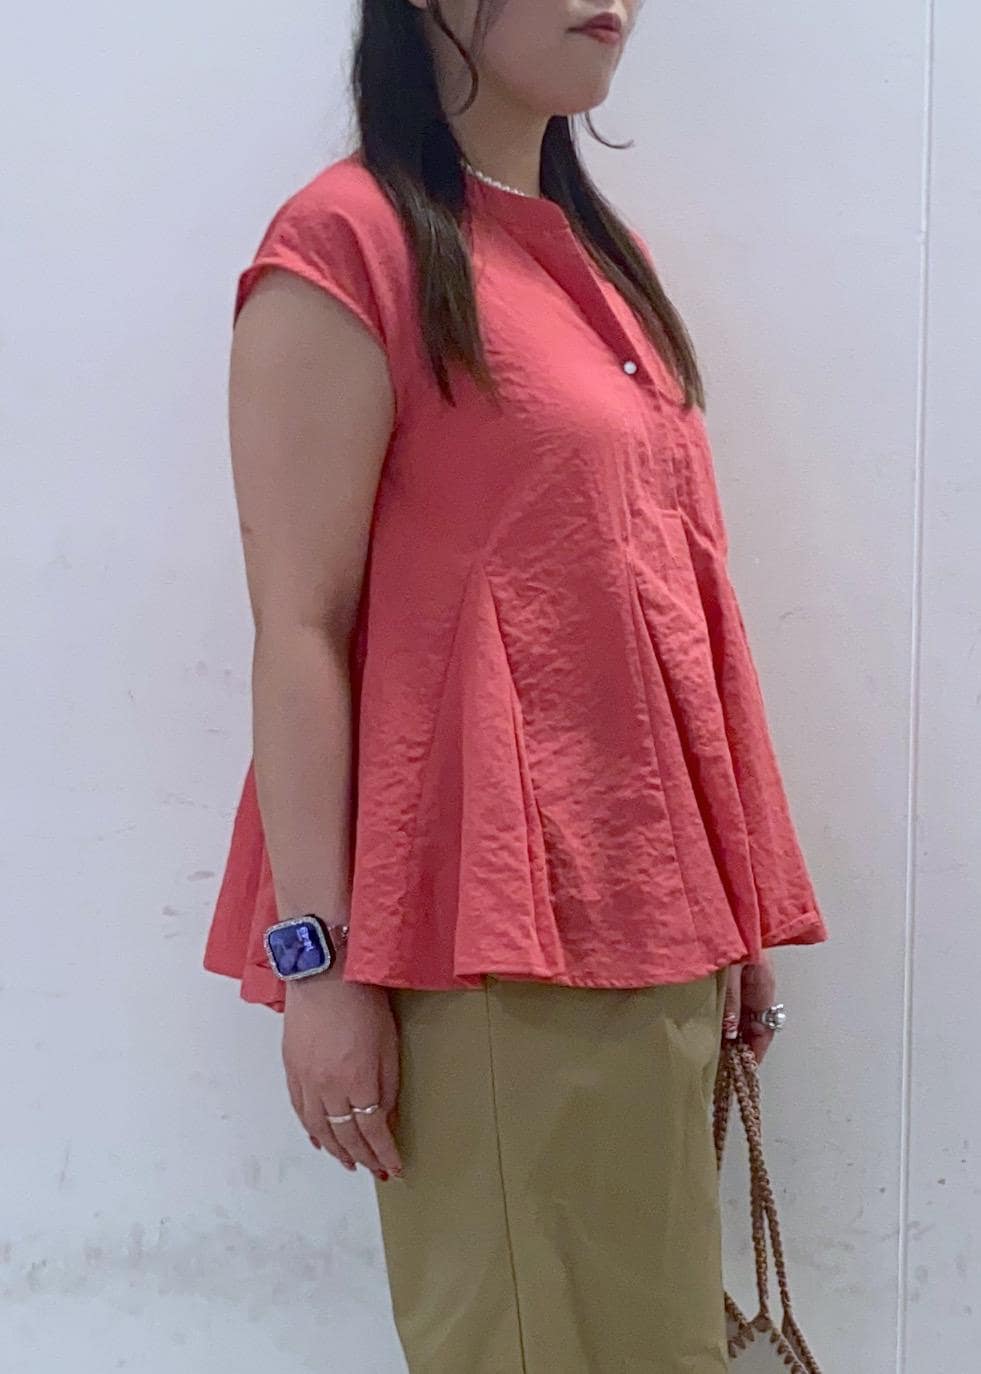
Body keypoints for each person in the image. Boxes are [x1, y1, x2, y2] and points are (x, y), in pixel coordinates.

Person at [203, 2, 828, 1369]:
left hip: (651, 924)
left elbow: (658, 602)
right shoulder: (348, 244)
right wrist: (318, 973)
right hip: (480, 947)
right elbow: (299, 627)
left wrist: (728, 902)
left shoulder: (603, 258)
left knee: (652, 1342)